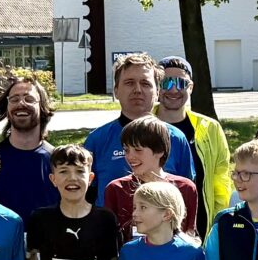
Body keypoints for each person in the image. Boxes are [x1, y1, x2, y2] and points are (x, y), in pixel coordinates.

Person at [85, 53, 200, 189]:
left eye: (145, 83)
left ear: (157, 92)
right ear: (116, 91)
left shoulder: (175, 138)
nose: (137, 90)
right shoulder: (97, 140)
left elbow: (186, 192)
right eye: (129, 83)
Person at [155, 55, 231, 214]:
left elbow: (221, 180)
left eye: (181, 83)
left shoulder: (210, 128)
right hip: (155, 224)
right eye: (166, 82)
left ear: (191, 87)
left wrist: (218, 221)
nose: (174, 89)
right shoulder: (142, 127)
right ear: (157, 86)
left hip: (200, 224)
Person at [102, 116, 201, 235]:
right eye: (126, 150)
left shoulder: (185, 188)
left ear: (160, 151)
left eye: (138, 150)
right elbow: (109, 236)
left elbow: (190, 234)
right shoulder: (116, 188)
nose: (130, 157)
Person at [0, 77, 59, 220]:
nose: (21, 103)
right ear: (7, 107)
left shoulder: (58, 161)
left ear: (42, 106)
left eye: (29, 99)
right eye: (14, 99)